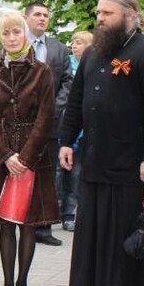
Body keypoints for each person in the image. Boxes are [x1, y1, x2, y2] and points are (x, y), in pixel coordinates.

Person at [59, 0, 144, 286]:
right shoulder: (94, 52)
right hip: (95, 158)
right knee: (95, 229)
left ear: (130, 14)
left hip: (132, 163)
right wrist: (67, 141)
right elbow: (76, 101)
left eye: (107, 13)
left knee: (126, 229)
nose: (100, 18)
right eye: (98, 13)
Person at [0, 11, 59, 286]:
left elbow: (46, 117)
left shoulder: (42, 72)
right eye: (6, 34)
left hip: (32, 156)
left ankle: (23, 285)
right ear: (0, 37)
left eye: (16, 32)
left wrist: (24, 157)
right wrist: (4, 155)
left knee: (27, 221)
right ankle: (7, 285)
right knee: (5, 223)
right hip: (2, 156)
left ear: (25, 34)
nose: (12, 38)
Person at [23, 1, 72, 246]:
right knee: (22, 173)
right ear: (27, 17)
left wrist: (54, 106)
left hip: (51, 123)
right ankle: (22, 222)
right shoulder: (15, 43)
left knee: (47, 176)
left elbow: (67, 81)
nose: (42, 19)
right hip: (21, 124)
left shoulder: (59, 49)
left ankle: (43, 227)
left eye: (45, 15)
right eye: (38, 15)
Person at [60, 31, 92, 231]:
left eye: (79, 43)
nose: (74, 46)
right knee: (65, 173)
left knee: (79, 174)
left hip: (87, 130)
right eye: (73, 42)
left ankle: (76, 213)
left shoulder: (95, 66)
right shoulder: (67, 66)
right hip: (67, 127)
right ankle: (63, 212)